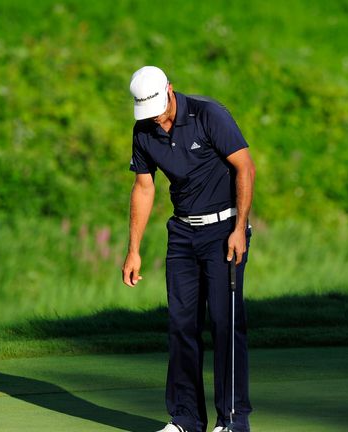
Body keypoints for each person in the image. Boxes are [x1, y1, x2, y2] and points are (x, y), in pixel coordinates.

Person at [122, 66, 255, 432]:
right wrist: (133, 250)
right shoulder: (143, 130)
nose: (154, 118)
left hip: (223, 232)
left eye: (157, 108)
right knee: (182, 325)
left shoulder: (209, 114)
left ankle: (232, 420)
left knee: (225, 324)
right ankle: (185, 419)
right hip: (181, 235)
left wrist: (239, 228)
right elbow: (144, 188)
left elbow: (244, 168)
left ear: (169, 89)